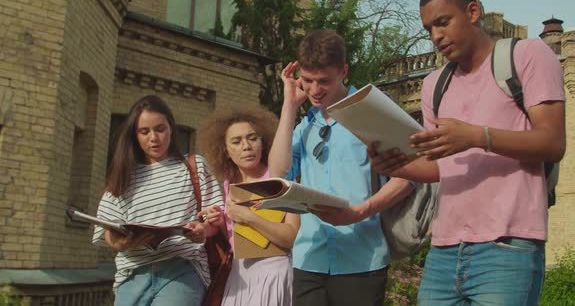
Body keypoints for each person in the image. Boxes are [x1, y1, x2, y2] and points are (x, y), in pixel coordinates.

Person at [368, 0, 566, 306]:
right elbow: (439, 167)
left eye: (443, 22)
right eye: (429, 29)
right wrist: (395, 164)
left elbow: (553, 141)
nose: (436, 37)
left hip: (507, 248)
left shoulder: (527, 55)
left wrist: (477, 136)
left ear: (473, 11)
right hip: (444, 249)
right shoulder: (436, 84)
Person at [268, 29, 414, 306]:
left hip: (362, 260)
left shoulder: (373, 113)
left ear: (344, 71)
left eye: (324, 81)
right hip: (309, 258)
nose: (314, 90)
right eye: (308, 80)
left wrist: (361, 212)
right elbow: (277, 174)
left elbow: (410, 177)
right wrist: (289, 105)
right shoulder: (305, 124)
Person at [92, 95, 224, 306]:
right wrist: (122, 241)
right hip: (132, 274)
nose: (154, 137)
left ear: (171, 128)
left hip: (182, 270)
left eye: (160, 129)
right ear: (134, 135)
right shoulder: (123, 174)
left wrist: (203, 230)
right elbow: (109, 230)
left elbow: (216, 219)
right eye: (144, 132)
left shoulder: (193, 166)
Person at [197, 107, 300, 306]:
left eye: (252, 138)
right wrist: (220, 223)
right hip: (239, 277)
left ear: (263, 141)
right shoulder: (229, 184)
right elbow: (239, 242)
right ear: (225, 150)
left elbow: (290, 238)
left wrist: (248, 216)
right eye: (236, 141)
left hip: (274, 273)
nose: (246, 146)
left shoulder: (282, 178)